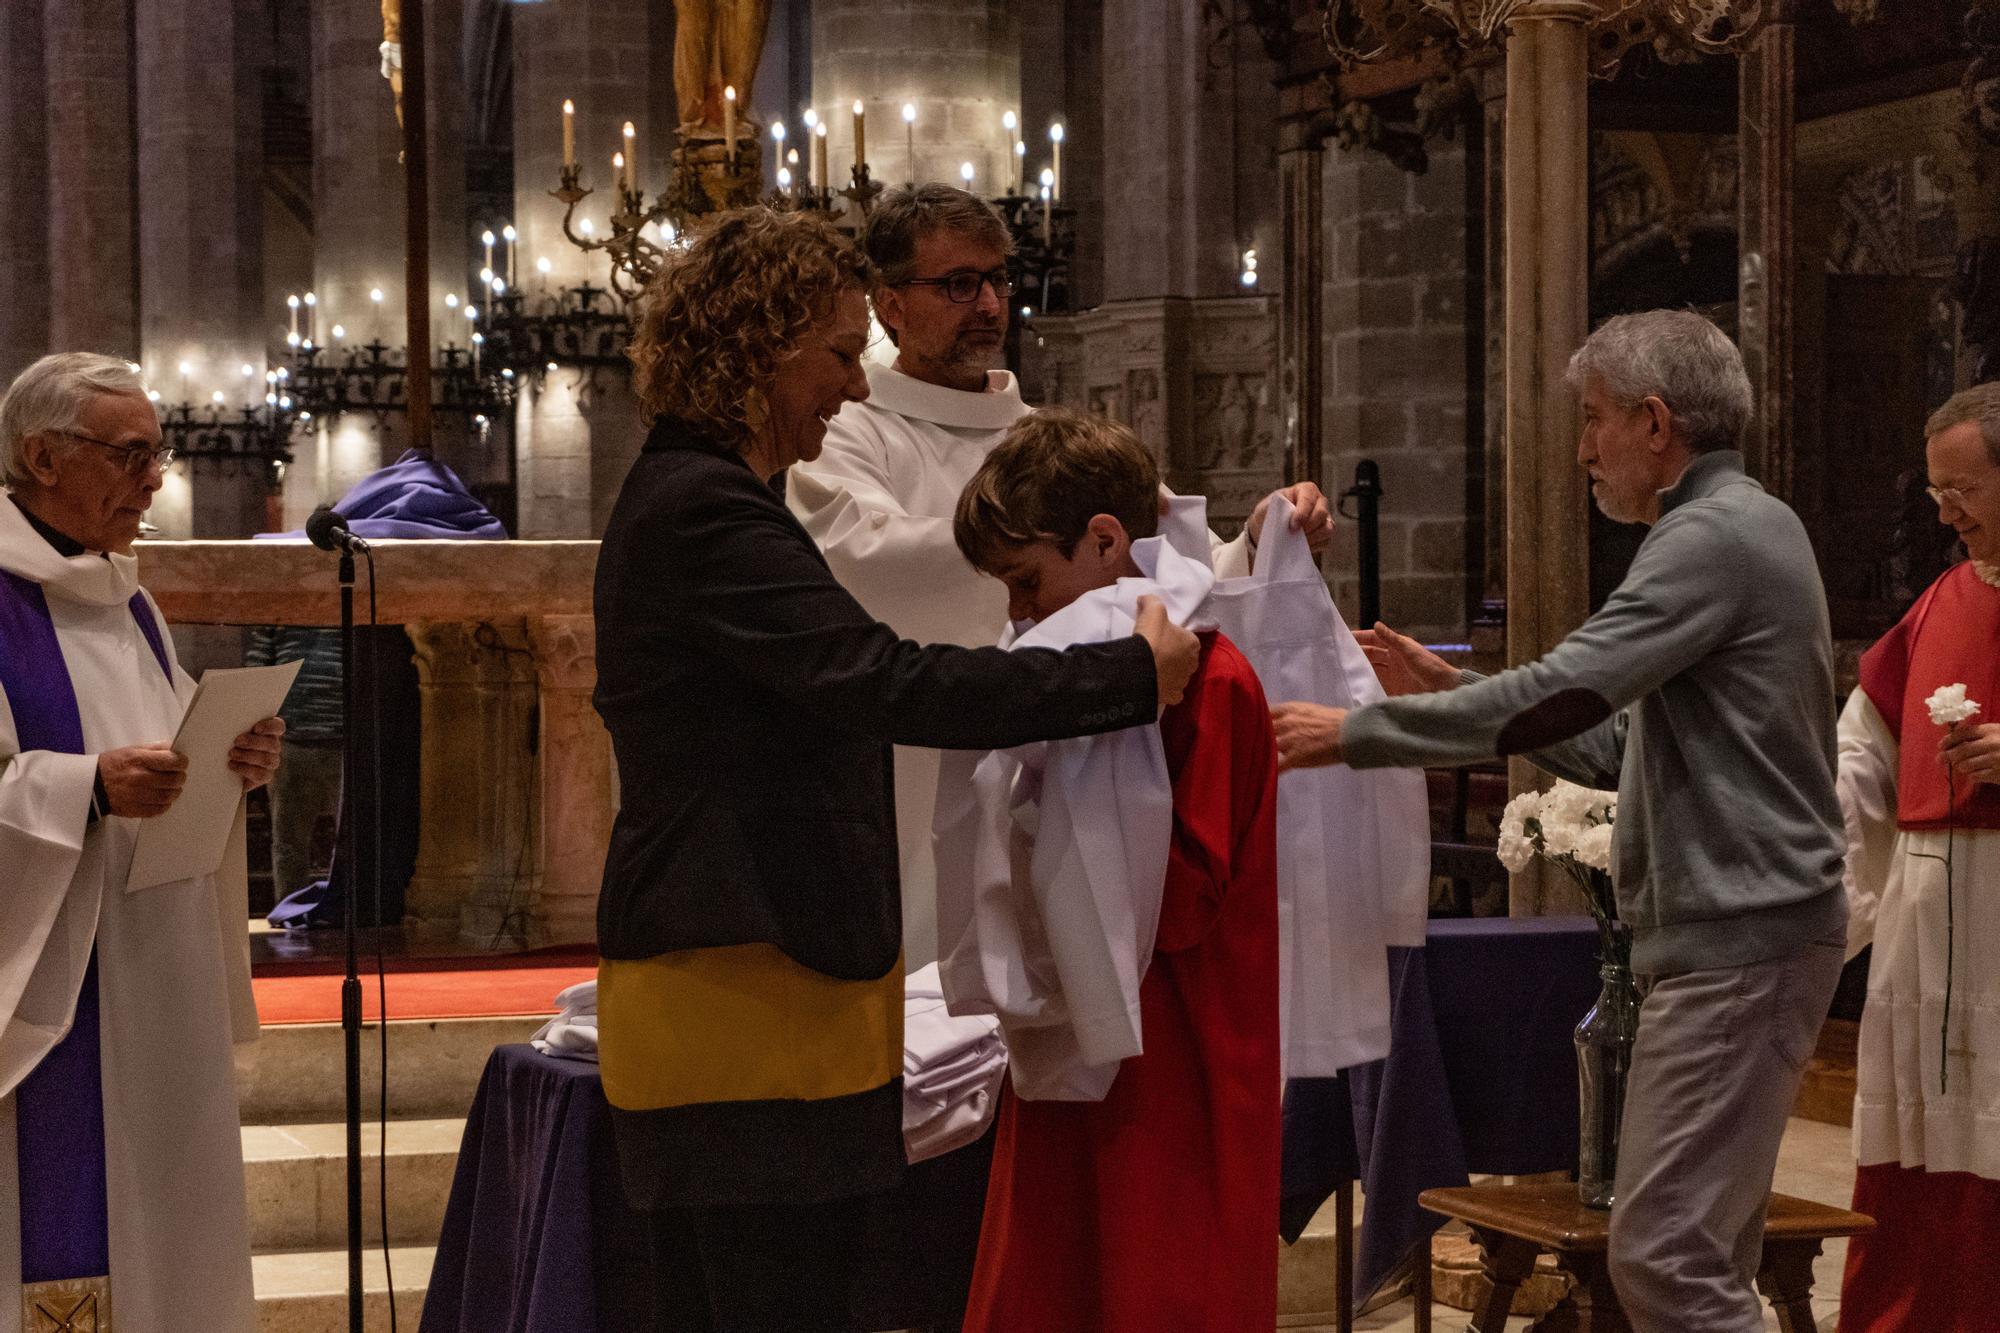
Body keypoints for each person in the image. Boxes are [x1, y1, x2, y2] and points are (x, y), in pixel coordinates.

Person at [591, 207, 1199, 1333]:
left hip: (765, 979)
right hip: (738, 988)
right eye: (834, 354)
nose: (854, 387)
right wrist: (1120, 676)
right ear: (759, 351)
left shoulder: (713, 501)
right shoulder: (702, 514)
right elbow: (889, 682)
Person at [1269, 310, 1848, 1333]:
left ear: (1654, 422)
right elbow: (1617, 749)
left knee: (1666, 1258)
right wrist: (1454, 683)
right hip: (1743, 934)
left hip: (1736, 939)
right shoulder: (1744, 524)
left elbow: (1568, 688)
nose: (1581, 447)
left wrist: (1357, 730)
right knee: (1691, 1252)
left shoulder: (1709, 536)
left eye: (1592, 420)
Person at [787, 183, 1333, 969]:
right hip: (912, 769)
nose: (986, 304)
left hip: (1064, 766)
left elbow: (1163, 567)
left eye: (998, 281)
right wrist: (1046, 547)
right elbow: (862, 560)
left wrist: (1252, 544)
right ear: (890, 304)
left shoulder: (1044, 437)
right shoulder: (851, 432)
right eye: (957, 284)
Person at [944, 408, 1281, 1332]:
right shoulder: (1086, 673)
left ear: (1103, 544)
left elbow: (1180, 908)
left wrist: (1048, 812)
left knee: (1155, 1291)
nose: (1017, 615)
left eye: (1026, 582)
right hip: (1080, 1047)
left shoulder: (1212, 683)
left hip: (1179, 1066)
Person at [0, 353, 283, 1330]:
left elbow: (164, 760)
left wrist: (225, 762)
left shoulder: (130, 600)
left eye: (157, 454)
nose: (155, 479)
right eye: (132, 455)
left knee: (171, 1225)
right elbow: (81, 777)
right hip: (59, 981)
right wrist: (85, 788)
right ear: (43, 455)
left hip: (160, 977)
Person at [1835, 382, 2000, 1331]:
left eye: (1963, 489)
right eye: (1936, 489)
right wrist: (1825, 904)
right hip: (1927, 922)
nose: (1944, 511)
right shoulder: (1939, 600)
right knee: (1916, 1150)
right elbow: (1863, 753)